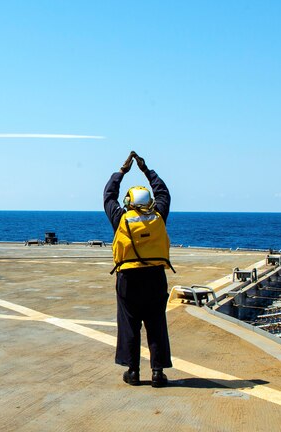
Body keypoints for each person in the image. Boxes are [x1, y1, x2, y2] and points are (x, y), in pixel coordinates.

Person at [103, 151, 174, 388]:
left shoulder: (121, 219)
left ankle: (133, 371)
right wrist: (147, 170)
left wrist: (122, 171)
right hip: (155, 276)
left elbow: (108, 195)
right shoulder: (159, 216)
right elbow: (164, 193)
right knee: (156, 325)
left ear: (129, 203)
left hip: (128, 278)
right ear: (150, 203)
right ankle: (157, 373)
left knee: (129, 324)